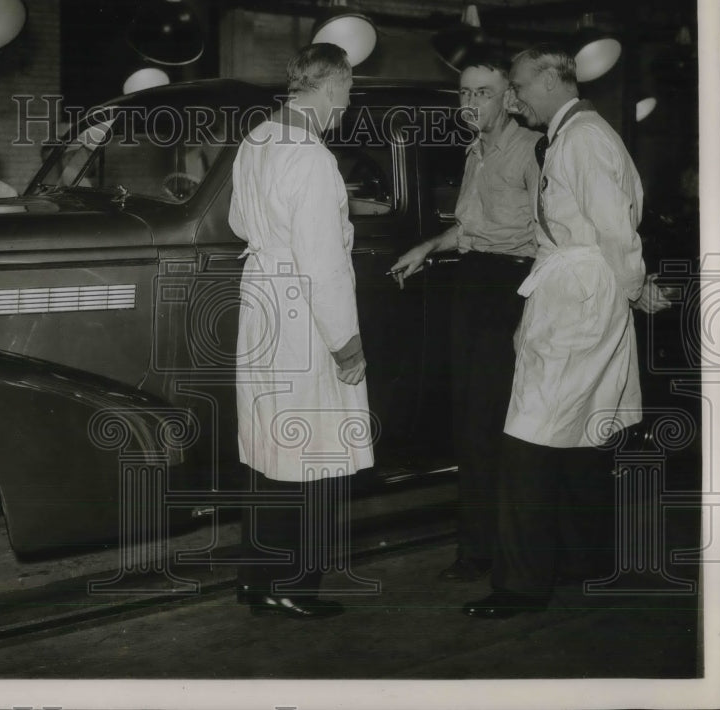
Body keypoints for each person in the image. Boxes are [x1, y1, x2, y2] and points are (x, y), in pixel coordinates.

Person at [463, 45, 670, 619]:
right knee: (581, 431)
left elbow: (613, 228)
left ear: (554, 81)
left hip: (580, 293)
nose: (514, 98)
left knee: (528, 436)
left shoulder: (580, 139)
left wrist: (632, 285)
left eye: (520, 86)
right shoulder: (577, 133)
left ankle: (521, 586)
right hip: (581, 288)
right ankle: (586, 559)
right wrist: (631, 287)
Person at [229, 42, 374, 619]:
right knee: (314, 452)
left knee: (267, 445)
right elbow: (323, 262)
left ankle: (257, 579)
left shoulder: (257, 138)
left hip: (261, 298)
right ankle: (297, 583)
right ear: (332, 86)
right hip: (303, 308)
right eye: (347, 94)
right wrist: (347, 344)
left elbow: (239, 221)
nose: (346, 107)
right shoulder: (311, 156)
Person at [389, 54, 541, 582]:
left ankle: (506, 553)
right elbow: (472, 227)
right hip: (473, 282)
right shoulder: (475, 151)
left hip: (512, 286)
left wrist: (534, 308)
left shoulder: (532, 150)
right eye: (464, 93)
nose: (470, 102)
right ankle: (475, 550)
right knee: (469, 422)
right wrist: (429, 245)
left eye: (482, 92)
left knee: (500, 424)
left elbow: (555, 235)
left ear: (510, 99)